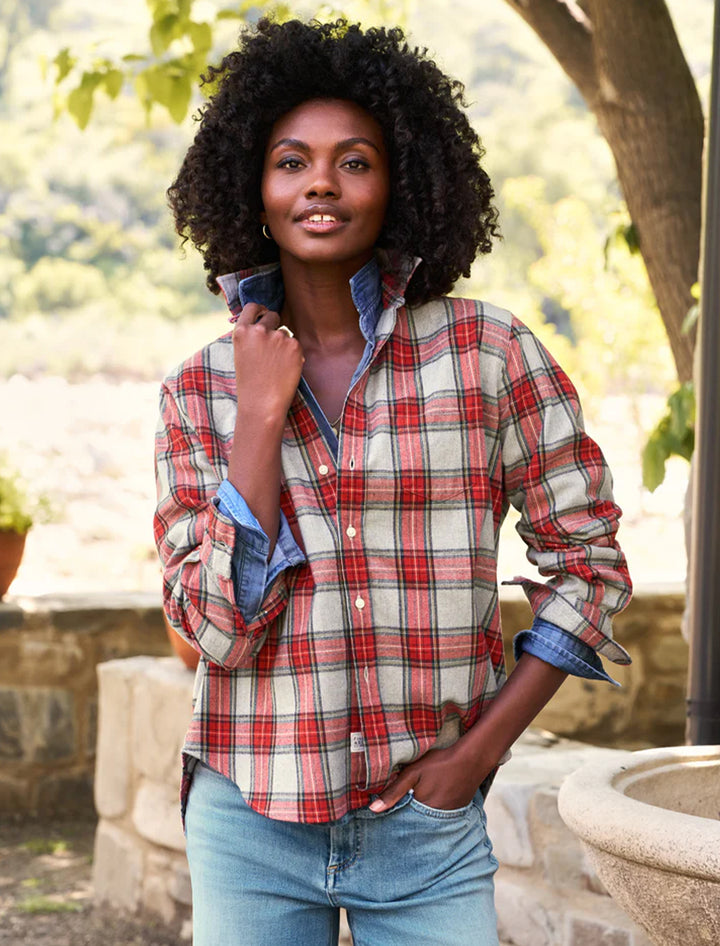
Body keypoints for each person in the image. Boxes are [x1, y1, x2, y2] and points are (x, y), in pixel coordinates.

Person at [154, 18, 632, 946]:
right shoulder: (200, 390)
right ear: (253, 186)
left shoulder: (489, 353)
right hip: (250, 817)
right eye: (291, 161)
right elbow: (208, 627)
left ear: (402, 182)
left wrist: (478, 755)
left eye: (355, 161)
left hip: (428, 830)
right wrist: (259, 418)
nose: (321, 182)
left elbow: (591, 567)